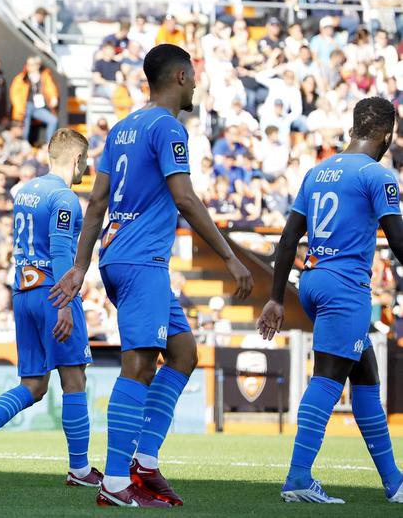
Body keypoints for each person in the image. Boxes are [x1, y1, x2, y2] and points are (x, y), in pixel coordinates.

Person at [50, 44, 254, 507]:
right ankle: (115, 480)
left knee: (183, 353)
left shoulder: (121, 128)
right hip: (142, 260)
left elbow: (97, 202)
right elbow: (184, 197)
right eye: (194, 76)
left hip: (120, 256)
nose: (196, 84)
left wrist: (82, 265)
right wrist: (230, 257)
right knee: (139, 365)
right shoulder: (168, 127)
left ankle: (144, 460)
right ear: (180, 77)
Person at [257, 97, 403, 504]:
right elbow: (397, 239)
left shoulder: (318, 171)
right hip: (345, 287)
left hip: (312, 281)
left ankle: (394, 482)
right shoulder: (378, 175)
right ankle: (298, 478)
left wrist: (275, 298)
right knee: (327, 378)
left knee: (366, 375)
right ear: (386, 135)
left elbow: (289, 238)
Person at [0, 129, 98, 487]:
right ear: (76, 159)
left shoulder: (26, 191)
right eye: (86, 161)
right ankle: (80, 469)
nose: (87, 167)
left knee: (34, 385)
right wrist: (65, 303)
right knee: (74, 378)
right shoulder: (64, 197)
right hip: (53, 293)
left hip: (23, 293)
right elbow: (61, 249)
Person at [10, 56, 59, 145]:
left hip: (38, 108)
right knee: (26, 120)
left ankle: (49, 145)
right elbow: (15, 95)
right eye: (29, 65)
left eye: (34, 64)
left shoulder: (44, 76)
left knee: (53, 120)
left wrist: (53, 97)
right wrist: (20, 109)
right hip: (25, 107)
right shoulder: (21, 78)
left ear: (38, 65)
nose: (32, 67)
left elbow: (51, 88)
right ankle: (24, 144)